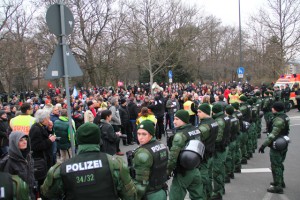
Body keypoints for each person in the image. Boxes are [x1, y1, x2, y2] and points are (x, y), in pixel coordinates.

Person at [40, 122, 137, 200]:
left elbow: (47, 195)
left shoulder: (60, 169)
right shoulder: (116, 164)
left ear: (77, 141)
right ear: (99, 140)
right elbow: (131, 196)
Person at [168, 110, 204, 200]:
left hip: (183, 172)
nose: (174, 121)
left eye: (176, 119)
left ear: (183, 120)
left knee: (175, 197)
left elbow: (173, 157)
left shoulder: (180, 135)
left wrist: (167, 171)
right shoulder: (196, 130)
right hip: (196, 169)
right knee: (198, 196)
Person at [132, 120, 168, 200]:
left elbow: (141, 183)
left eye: (144, 134)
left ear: (151, 134)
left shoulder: (143, 153)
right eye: (138, 134)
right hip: (161, 190)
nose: (140, 137)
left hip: (149, 194)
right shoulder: (162, 145)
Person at [258, 102, 290, 194]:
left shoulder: (278, 120)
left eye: (273, 108)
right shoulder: (285, 116)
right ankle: (280, 181)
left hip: (277, 143)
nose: (271, 109)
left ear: (275, 109)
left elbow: (273, 135)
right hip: (283, 141)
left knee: (276, 165)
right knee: (279, 163)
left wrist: (263, 145)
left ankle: (278, 186)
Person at [4, 131, 35, 199]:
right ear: (14, 143)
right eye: (21, 140)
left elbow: (31, 175)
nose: (25, 142)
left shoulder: (28, 156)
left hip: (30, 193)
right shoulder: (9, 162)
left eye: (25, 139)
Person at [29, 109, 56, 186]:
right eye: (48, 118)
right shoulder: (36, 128)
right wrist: (50, 141)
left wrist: (50, 130)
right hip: (41, 160)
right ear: (44, 119)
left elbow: (44, 137)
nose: (49, 120)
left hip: (45, 158)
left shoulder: (41, 126)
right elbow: (35, 146)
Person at [197, 103, 218, 200]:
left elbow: (197, 139)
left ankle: (206, 196)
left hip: (204, 155)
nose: (197, 114)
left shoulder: (204, 126)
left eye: (199, 112)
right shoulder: (213, 121)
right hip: (210, 152)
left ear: (205, 112)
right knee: (209, 177)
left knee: (203, 179)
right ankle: (209, 195)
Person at [211, 104, 230, 200]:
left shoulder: (219, 120)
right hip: (224, 146)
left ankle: (218, 192)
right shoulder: (225, 117)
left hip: (219, 148)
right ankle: (221, 188)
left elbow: (217, 138)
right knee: (221, 169)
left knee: (217, 171)